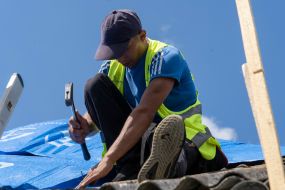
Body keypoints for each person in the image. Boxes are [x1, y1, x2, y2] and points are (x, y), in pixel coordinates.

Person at [68, 9, 228, 189]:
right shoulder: (112, 68)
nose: (120, 58)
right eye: (115, 52)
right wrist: (84, 126)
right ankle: (132, 167)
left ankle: (172, 163)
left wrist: (109, 159)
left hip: (184, 141)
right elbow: (102, 113)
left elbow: (144, 112)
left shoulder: (165, 58)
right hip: (139, 147)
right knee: (94, 85)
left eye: (124, 50)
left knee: (163, 139)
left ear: (142, 36)